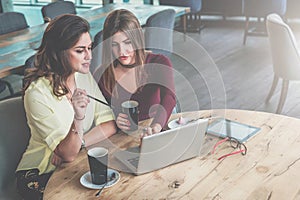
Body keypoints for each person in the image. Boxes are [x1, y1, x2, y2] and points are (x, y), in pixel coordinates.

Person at [16, 14, 117, 200]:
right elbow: (68, 153)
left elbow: (109, 124)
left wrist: (79, 144)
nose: (89, 56)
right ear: (59, 52)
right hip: (40, 173)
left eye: (89, 48)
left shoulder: (83, 76)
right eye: (80, 51)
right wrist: (78, 120)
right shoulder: (37, 93)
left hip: (74, 163)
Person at [97, 9, 176, 135]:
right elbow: (103, 114)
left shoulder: (159, 63)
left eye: (127, 43)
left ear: (137, 39)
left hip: (157, 131)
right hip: (122, 138)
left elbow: (169, 97)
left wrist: (156, 126)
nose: (122, 52)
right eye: (114, 45)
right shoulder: (103, 75)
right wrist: (115, 119)